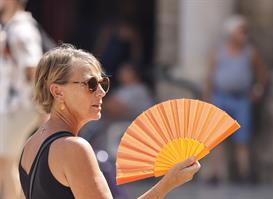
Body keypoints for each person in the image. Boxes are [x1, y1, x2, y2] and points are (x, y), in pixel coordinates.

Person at [18, 44, 201, 199]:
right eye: (90, 84)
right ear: (57, 92)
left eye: (102, 83)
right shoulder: (74, 148)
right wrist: (168, 183)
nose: (101, 92)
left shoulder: (30, 144)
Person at [205, 15, 267, 182]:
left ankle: (244, 173)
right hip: (221, 96)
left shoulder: (250, 51)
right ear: (232, 33)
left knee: (243, 138)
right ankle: (214, 173)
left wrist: (258, 90)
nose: (245, 35)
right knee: (215, 139)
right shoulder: (219, 51)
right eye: (242, 31)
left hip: (241, 99)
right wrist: (209, 98)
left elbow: (261, 72)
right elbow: (210, 76)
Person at [0, 0, 43, 198]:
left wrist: (44, 109)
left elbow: (34, 70)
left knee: (6, 161)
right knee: (10, 161)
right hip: (12, 107)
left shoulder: (21, 29)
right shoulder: (10, 26)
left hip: (22, 107)